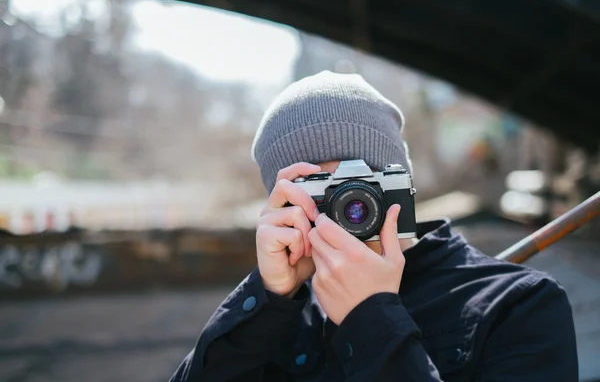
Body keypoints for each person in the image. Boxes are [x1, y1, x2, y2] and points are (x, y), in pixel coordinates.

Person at [170, 71, 578, 381]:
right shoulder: (275, 318)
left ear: (403, 185)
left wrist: (370, 320)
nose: (350, 209)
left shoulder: (517, 305)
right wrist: (267, 297)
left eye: (361, 183)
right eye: (317, 192)